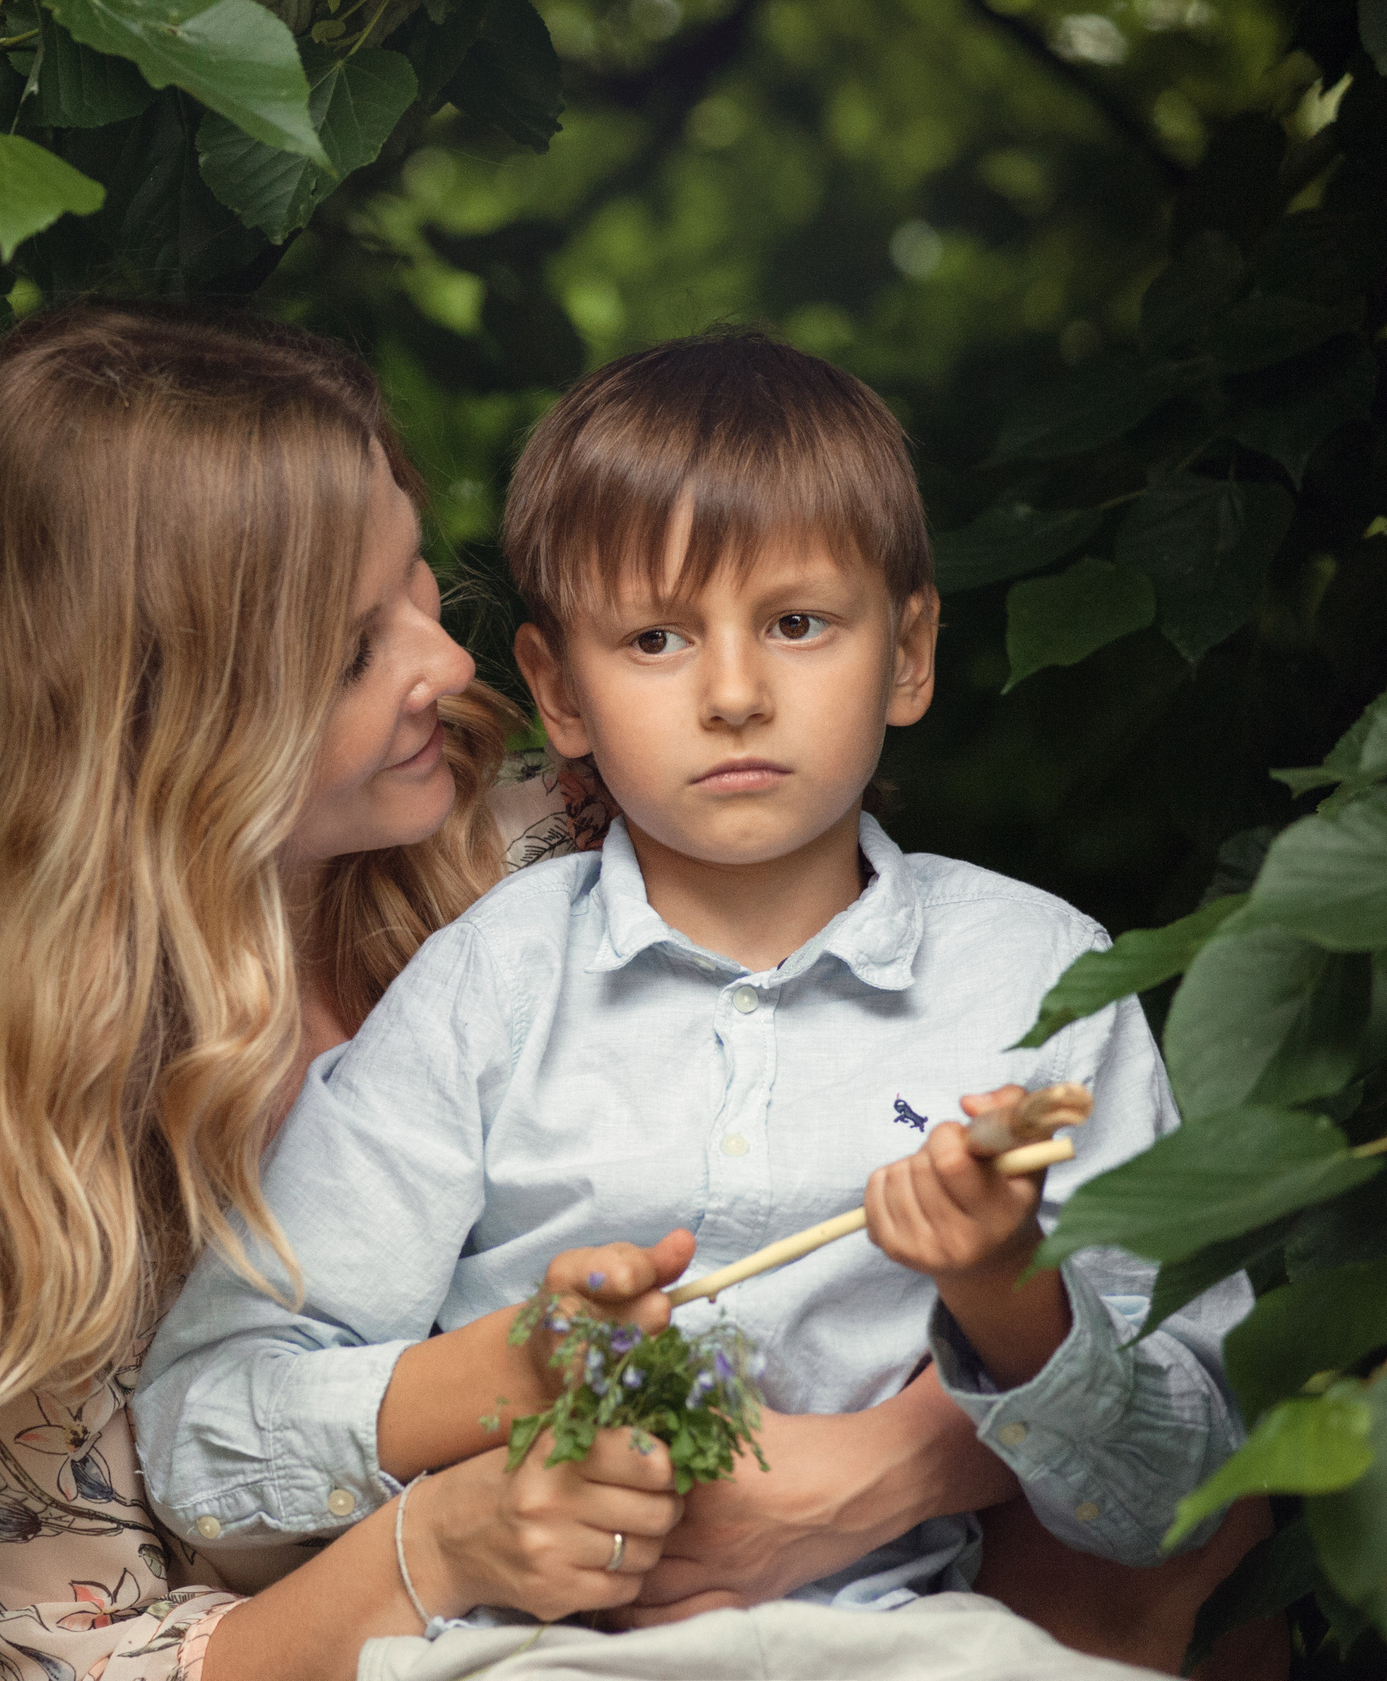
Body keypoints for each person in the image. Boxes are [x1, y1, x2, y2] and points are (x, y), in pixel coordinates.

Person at [0, 305, 1126, 1681]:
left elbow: (1070, 1287)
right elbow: (76, 1656)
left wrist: (874, 1469)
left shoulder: (571, 854)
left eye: (418, 584)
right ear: (159, 717)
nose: (447, 662)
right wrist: (442, 1543)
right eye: (357, 648)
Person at [130, 334, 1251, 1650]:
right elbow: (202, 1431)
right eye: (656, 638)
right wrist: (506, 1383)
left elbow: (1186, 1490)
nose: (732, 694)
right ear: (559, 691)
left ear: (908, 653)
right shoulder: (487, 985)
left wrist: (1012, 1291)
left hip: (913, 1645)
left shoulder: (1039, 980)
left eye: (796, 624)